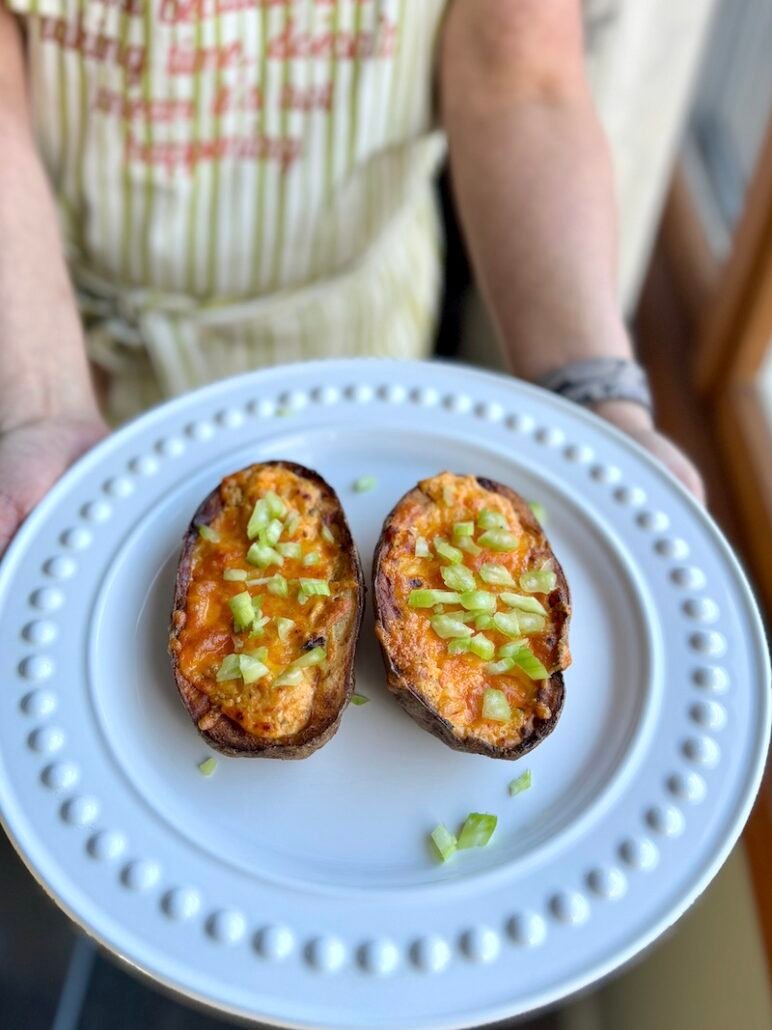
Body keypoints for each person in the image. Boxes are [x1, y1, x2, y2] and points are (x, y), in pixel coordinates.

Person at [0, 0, 704, 557]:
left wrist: (589, 393)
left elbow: (519, 78)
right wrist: (39, 403)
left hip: (358, 343)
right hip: (64, 341)